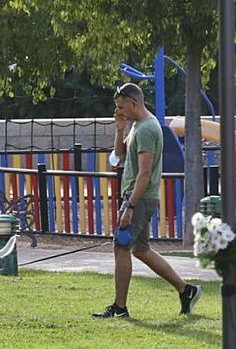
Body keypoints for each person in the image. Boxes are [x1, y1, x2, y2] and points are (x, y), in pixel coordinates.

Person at [93, 83, 200, 319]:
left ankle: (119, 308)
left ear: (134, 102)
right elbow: (119, 156)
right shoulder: (136, 126)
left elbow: (144, 172)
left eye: (122, 108)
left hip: (138, 197)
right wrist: (120, 129)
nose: (119, 112)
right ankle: (186, 290)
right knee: (140, 250)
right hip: (138, 195)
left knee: (120, 247)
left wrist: (129, 206)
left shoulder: (147, 129)